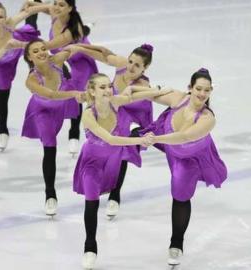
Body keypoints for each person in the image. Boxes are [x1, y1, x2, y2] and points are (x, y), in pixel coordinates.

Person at [73, 73, 168, 269]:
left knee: (106, 191)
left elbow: (132, 95)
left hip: (112, 160)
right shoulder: (88, 114)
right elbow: (111, 139)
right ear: (92, 91)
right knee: (91, 201)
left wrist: (158, 92)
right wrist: (139, 140)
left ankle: (114, 200)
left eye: (109, 86)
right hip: (92, 162)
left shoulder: (115, 101)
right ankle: (90, 246)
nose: (108, 90)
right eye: (102, 87)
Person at [138, 68, 228, 267]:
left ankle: (176, 243)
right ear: (190, 88)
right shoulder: (179, 98)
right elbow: (149, 95)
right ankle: (113, 190)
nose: (202, 94)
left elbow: (185, 137)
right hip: (170, 146)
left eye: (207, 90)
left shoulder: (207, 118)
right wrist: (133, 90)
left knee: (180, 194)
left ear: (211, 91)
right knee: (134, 135)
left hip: (190, 159)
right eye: (198, 89)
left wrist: (154, 139)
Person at [66, 42, 154, 219]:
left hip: (134, 113)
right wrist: (81, 48)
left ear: (145, 68)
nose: (131, 66)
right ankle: (104, 184)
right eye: (130, 61)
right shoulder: (122, 65)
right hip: (114, 109)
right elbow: (104, 55)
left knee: (122, 150)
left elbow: (147, 95)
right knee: (114, 147)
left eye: (137, 65)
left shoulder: (143, 83)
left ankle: (115, 194)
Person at [23, 0, 99, 154]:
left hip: (80, 60)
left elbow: (47, 46)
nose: (56, 7)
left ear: (70, 8)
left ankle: (74, 134)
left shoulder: (71, 30)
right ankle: (88, 28)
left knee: (76, 94)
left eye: (61, 5)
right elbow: (42, 7)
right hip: (63, 57)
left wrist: (21, 45)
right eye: (55, 3)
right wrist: (30, 5)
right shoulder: (55, 12)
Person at [22, 39, 86, 216]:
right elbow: (51, 94)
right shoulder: (31, 80)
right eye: (35, 51)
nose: (41, 52)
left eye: (43, 48)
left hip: (62, 104)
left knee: (76, 103)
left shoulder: (56, 61)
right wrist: (74, 94)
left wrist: (90, 48)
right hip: (43, 112)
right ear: (29, 57)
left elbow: (73, 48)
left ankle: (74, 133)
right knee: (50, 147)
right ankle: (50, 193)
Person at [0, 2, 41, 151]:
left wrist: (48, 8)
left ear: (5, 18)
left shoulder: (9, 24)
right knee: (3, 95)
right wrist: (7, 46)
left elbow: (28, 12)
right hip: (0, 64)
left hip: (16, 48)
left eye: (0, 16)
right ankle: (2, 131)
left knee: (31, 27)